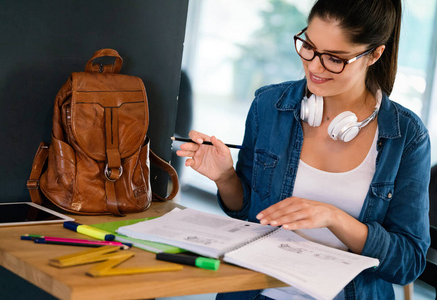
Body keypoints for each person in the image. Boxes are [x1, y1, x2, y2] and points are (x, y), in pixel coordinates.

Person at [176, 0, 431, 299]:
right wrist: (225, 177)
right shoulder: (269, 105)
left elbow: (408, 263)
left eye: (334, 58)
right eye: (308, 46)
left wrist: (334, 217)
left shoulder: (407, 136)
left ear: (374, 54)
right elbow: (247, 213)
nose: (313, 66)